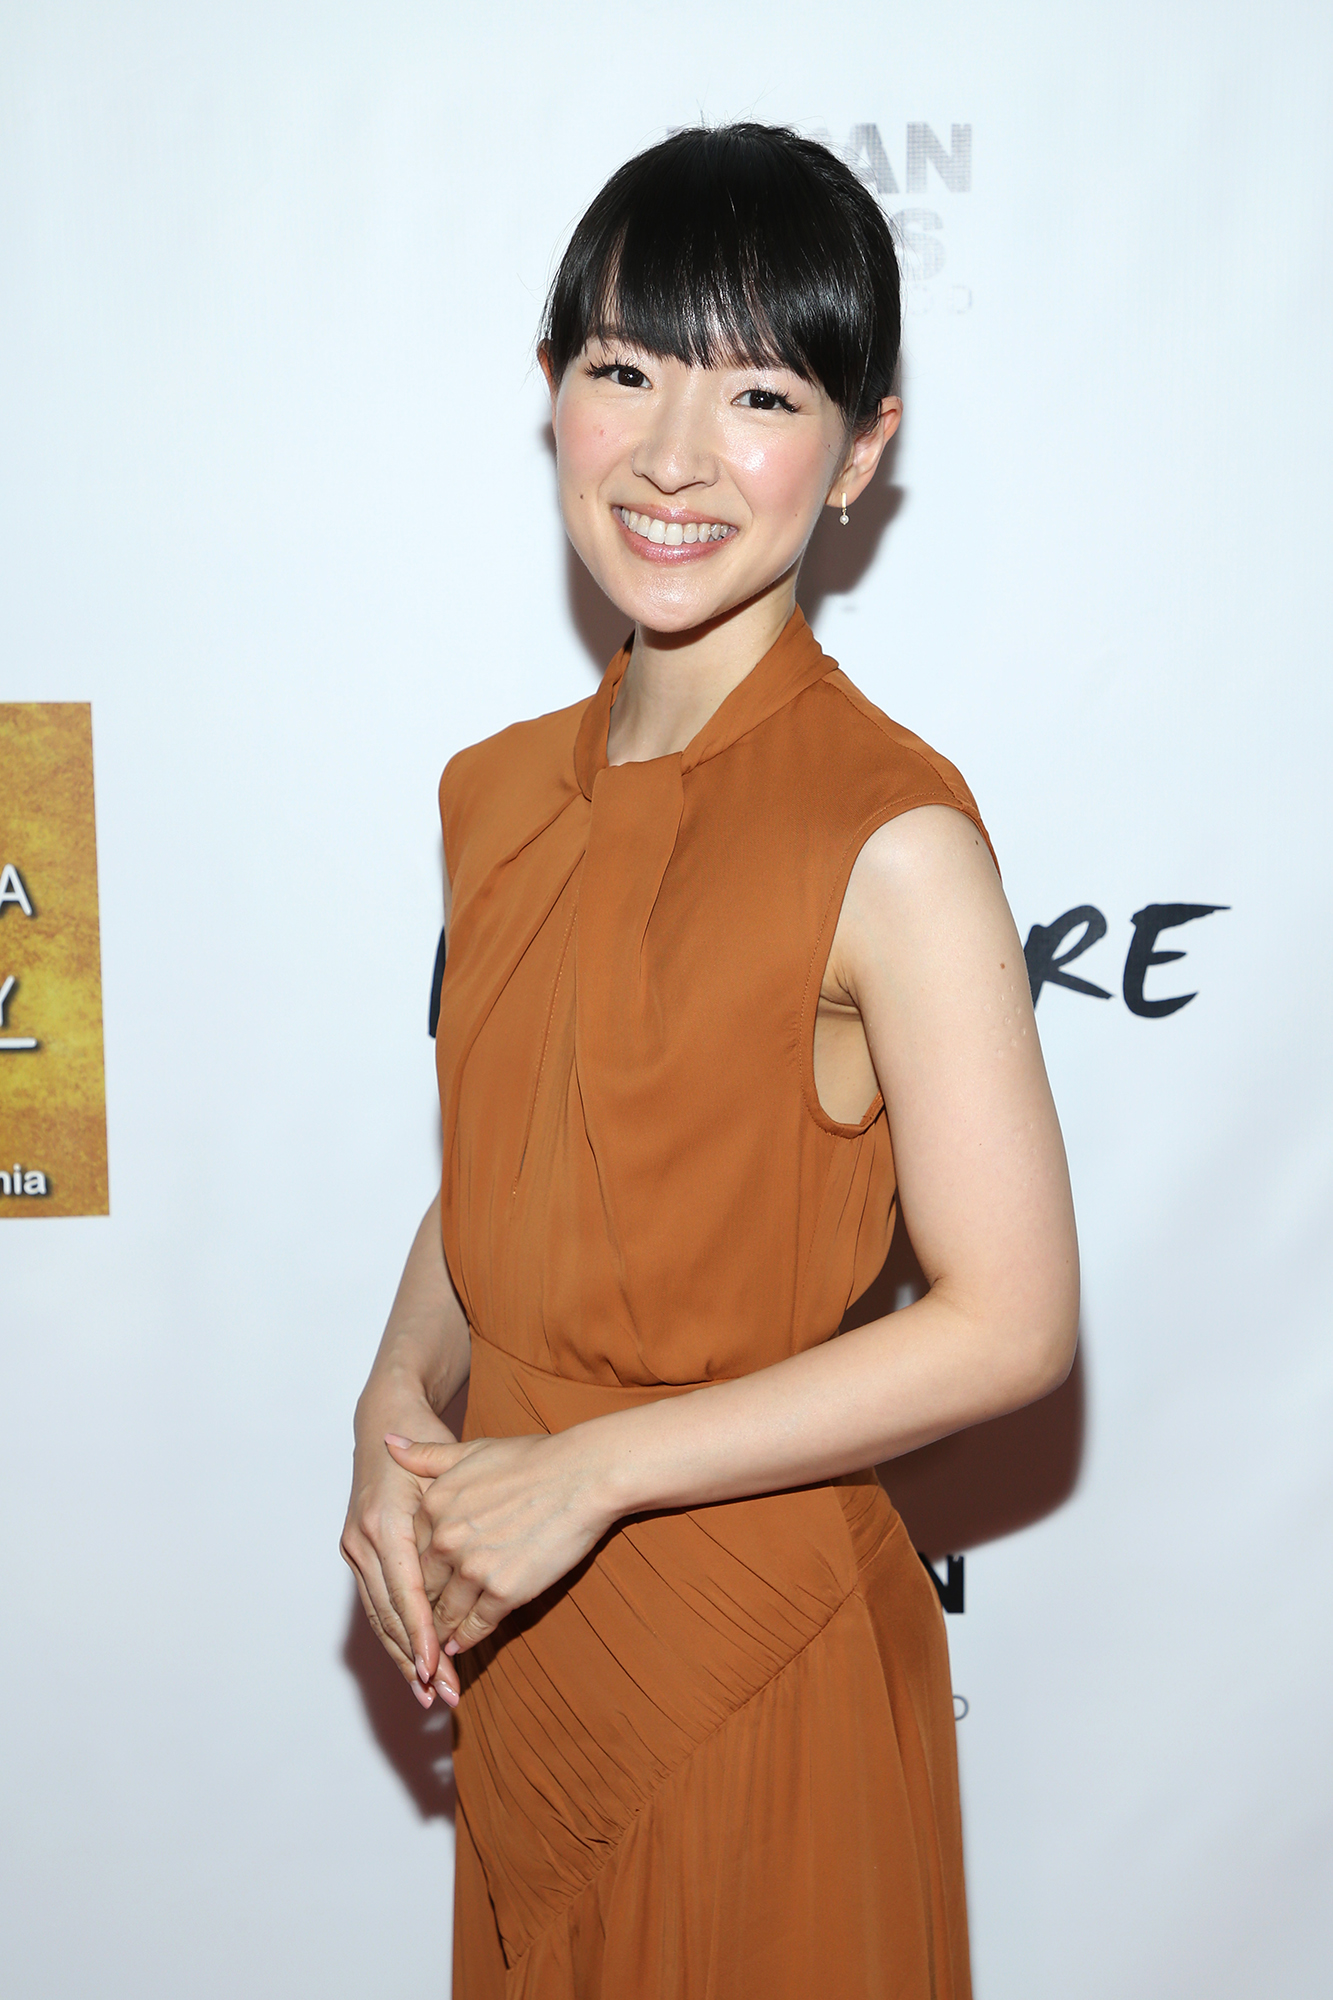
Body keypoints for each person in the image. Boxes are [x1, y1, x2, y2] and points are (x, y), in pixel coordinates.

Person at [341, 122, 1078, 1999]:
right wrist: (393, 1399)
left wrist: (587, 1472)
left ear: (860, 454)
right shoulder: (495, 793)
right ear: (553, 396)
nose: (675, 456)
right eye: (624, 370)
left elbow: (1007, 1324)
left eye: (759, 391)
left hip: (748, 1663)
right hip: (520, 1632)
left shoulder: (888, 835)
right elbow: (520, 1162)